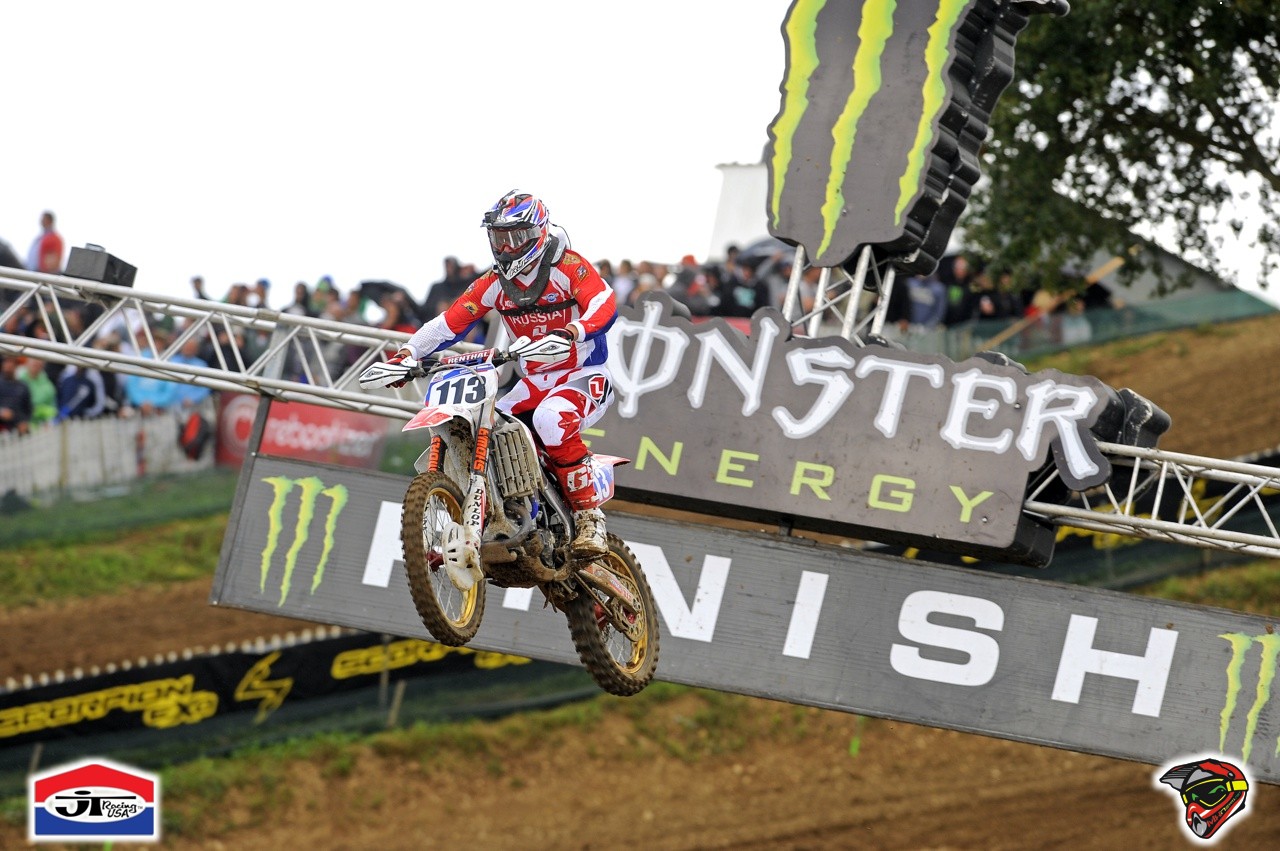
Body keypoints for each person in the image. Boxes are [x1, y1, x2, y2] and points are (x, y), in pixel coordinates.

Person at [388, 190, 618, 556]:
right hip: (534, 382)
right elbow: (449, 322)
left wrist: (575, 330)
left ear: (539, 232)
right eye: (500, 237)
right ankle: (505, 512)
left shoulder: (568, 266)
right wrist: (408, 352)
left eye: (517, 236)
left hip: (584, 375)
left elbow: (604, 302)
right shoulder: (494, 282)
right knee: (484, 425)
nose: (508, 247)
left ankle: (590, 517)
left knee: (550, 419)